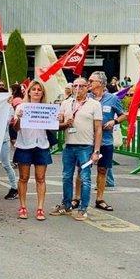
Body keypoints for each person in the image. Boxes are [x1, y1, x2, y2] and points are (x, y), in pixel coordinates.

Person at [74, 71, 126, 212]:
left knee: (102, 170)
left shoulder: (112, 99)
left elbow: (123, 115)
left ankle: (100, 198)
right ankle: (76, 198)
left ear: (101, 83)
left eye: (92, 81)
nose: (89, 83)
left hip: (106, 141)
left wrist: (113, 121)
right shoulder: (86, 97)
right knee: (82, 169)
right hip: (87, 140)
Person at [52, 77, 102, 221]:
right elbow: (58, 122)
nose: (78, 89)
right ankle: (66, 205)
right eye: (75, 86)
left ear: (87, 88)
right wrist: (59, 120)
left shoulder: (94, 104)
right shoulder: (66, 103)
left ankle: (83, 209)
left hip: (86, 146)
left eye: (82, 86)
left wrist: (96, 150)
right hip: (69, 146)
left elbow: (98, 129)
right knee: (66, 176)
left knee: (85, 178)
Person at [12, 81, 52, 221]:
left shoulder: (47, 108)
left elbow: (54, 127)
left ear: (42, 93)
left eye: (39, 90)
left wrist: (59, 120)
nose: (36, 91)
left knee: (41, 178)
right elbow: (16, 129)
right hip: (24, 145)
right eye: (33, 89)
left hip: (41, 145)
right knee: (23, 178)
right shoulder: (21, 107)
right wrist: (18, 119)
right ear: (28, 92)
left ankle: (40, 208)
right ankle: (22, 206)